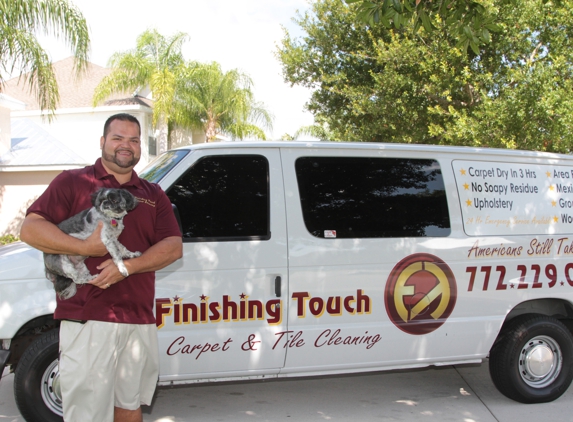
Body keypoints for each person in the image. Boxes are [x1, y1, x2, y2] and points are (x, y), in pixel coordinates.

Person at [20, 113, 183, 422]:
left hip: (137, 317)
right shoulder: (74, 182)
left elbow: (173, 246)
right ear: (103, 142)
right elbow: (31, 229)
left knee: (129, 406)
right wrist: (84, 248)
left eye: (133, 140)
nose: (126, 146)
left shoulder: (152, 194)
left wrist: (127, 267)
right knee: (87, 413)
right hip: (88, 317)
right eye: (118, 138)